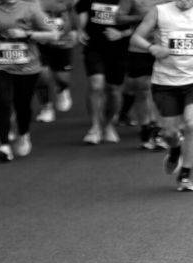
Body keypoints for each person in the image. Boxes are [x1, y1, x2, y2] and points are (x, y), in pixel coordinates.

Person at [130, 0, 193, 192]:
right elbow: (136, 38)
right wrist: (151, 48)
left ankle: (185, 175)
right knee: (169, 133)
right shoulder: (159, 12)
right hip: (166, 81)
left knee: (191, 123)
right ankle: (174, 151)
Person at [0, 0, 59, 161]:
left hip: (27, 64)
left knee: (22, 104)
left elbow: (54, 33)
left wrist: (26, 34)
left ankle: (23, 134)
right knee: (2, 102)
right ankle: (4, 145)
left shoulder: (32, 7)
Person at [116, 0, 172, 150]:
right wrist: (142, 17)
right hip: (140, 48)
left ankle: (160, 129)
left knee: (162, 89)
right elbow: (119, 17)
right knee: (142, 88)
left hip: (165, 48)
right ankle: (146, 128)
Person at [76, 0, 133, 144]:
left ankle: (108, 125)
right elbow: (82, 11)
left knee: (113, 90)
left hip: (119, 49)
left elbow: (144, 21)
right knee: (96, 85)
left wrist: (121, 33)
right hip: (94, 47)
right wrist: (80, 29)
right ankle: (95, 127)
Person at [35, 0, 78, 123]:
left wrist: (75, 30)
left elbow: (73, 11)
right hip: (39, 40)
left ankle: (62, 88)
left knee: (62, 77)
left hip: (61, 41)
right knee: (41, 74)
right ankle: (46, 107)